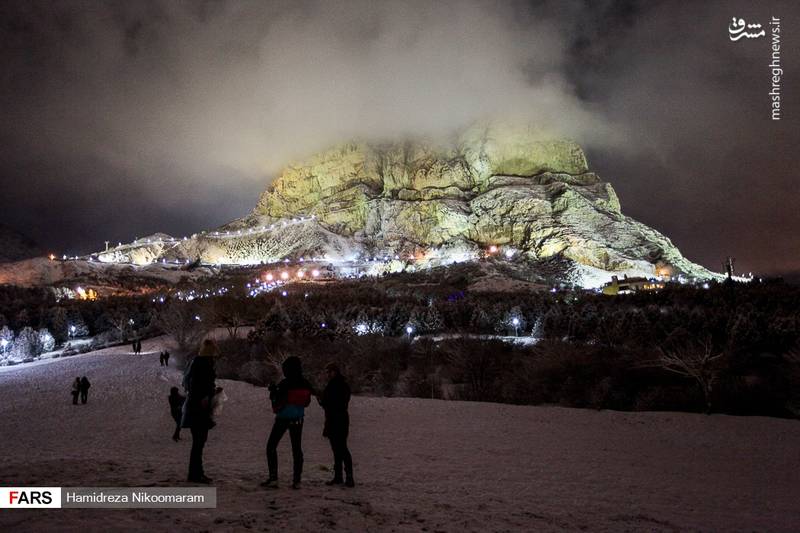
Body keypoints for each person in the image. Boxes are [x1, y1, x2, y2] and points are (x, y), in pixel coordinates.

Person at [261, 356, 313, 489]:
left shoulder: (285, 383)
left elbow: (277, 402)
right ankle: (297, 480)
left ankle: (273, 478)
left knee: (271, 446)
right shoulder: (306, 383)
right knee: (296, 449)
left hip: (283, 418)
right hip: (298, 418)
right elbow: (307, 402)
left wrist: (273, 392)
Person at [182, 339, 218, 483]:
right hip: (199, 409)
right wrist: (208, 395)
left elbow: (193, 385)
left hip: (195, 407)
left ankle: (196, 473)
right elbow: (201, 386)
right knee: (199, 442)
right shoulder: (203, 366)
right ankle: (196, 474)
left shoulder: (195, 364)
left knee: (198, 442)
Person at [319, 362, 355, 487]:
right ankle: (340, 476)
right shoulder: (340, 385)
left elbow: (334, 403)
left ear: (335, 372)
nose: (328, 374)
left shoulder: (337, 386)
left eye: (329, 372)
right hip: (337, 419)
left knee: (341, 449)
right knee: (338, 449)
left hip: (337, 419)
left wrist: (323, 401)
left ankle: (347, 477)